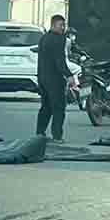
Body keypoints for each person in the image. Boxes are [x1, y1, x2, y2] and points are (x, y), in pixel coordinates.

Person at [36, 14, 77, 143]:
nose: (63, 28)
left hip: (42, 78)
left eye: (64, 25)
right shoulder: (59, 39)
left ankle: (39, 133)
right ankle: (57, 136)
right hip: (54, 79)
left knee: (46, 107)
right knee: (58, 108)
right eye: (61, 25)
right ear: (53, 25)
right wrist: (69, 76)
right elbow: (60, 60)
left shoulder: (44, 38)